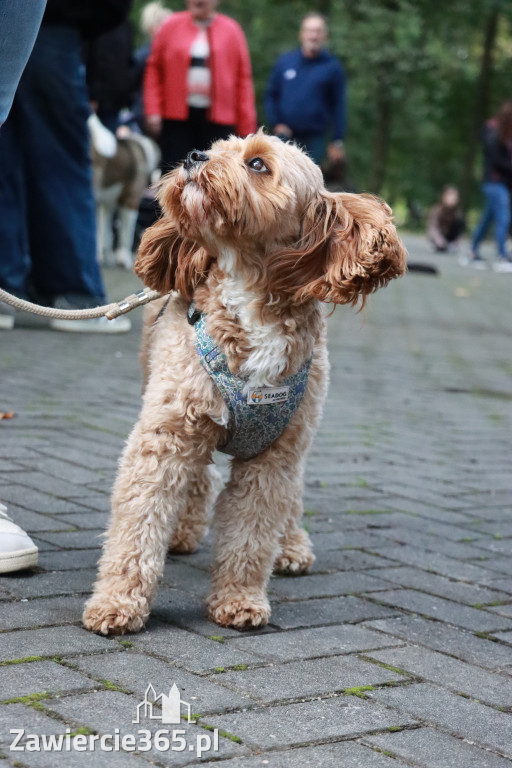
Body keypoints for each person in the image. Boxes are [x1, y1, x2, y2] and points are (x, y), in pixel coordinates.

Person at [0, 0, 133, 333]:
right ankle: (74, 291)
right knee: (61, 158)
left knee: (5, 156)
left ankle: (7, 288)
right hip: (48, 23)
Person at [144, 0, 257, 172]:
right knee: (174, 172)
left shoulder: (231, 30)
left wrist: (247, 128)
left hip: (218, 121)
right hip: (176, 119)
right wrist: (153, 110)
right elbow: (154, 69)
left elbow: (243, 80)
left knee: (216, 175)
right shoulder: (171, 25)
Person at [265, 12, 346, 166]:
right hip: (285, 137)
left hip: (315, 140)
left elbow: (338, 105)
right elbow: (271, 95)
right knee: (281, 181)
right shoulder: (285, 62)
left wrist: (337, 140)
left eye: (318, 31)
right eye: (309, 31)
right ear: (302, 34)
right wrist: (276, 123)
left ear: (325, 35)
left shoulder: (333, 67)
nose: (313, 36)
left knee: (309, 184)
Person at [469, 102, 512, 271]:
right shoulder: (493, 133)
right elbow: (496, 161)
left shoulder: (505, 136)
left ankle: (472, 251)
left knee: (487, 219)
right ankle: (502, 256)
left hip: (501, 183)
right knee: (503, 217)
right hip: (494, 183)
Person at [427, 185, 465, 253]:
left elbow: (459, 229)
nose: (451, 199)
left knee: (459, 220)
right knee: (440, 246)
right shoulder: (437, 210)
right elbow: (433, 227)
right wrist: (439, 240)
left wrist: (457, 241)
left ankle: (452, 245)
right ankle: (439, 245)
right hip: (439, 236)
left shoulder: (457, 213)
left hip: (450, 237)